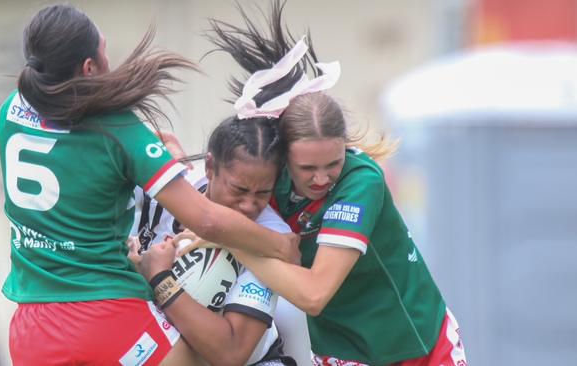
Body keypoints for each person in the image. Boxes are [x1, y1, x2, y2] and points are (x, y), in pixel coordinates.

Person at [0, 4, 298, 365]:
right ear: (89, 68)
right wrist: (279, 245)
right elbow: (206, 219)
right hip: (105, 313)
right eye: (104, 51)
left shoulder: (11, 110)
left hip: (31, 326)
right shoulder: (116, 127)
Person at [198, 1, 468, 365]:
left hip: (415, 344)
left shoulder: (360, 180)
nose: (322, 178)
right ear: (284, 159)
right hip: (340, 350)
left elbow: (313, 295)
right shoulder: (268, 181)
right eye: (307, 167)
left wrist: (231, 238)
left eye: (333, 163)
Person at [130, 115, 311, 366]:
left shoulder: (272, 238)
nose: (248, 206)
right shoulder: (165, 189)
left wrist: (160, 279)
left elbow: (232, 353)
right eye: (238, 190)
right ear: (210, 167)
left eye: (262, 193)